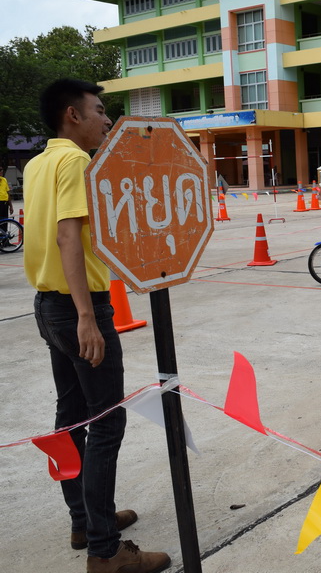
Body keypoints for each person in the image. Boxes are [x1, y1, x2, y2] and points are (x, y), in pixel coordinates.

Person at [23, 79, 171, 573]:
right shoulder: (75, 162)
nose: (107, 121)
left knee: (72, 418)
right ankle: (106, 553)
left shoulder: (37, 163)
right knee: (106, 422)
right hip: (77, 307)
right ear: (73, 115)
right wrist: (88, 317)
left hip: (46, 305)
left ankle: (85, 520)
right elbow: (69, 236)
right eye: (99, 111)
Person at [0, 168, 12, 237]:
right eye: (1, 173)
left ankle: (5, 239)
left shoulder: (4, 180)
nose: (2, 174)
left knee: (5, 221)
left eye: (2, 173)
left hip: (5, 203)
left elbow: (8, 193)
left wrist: (11, 205)